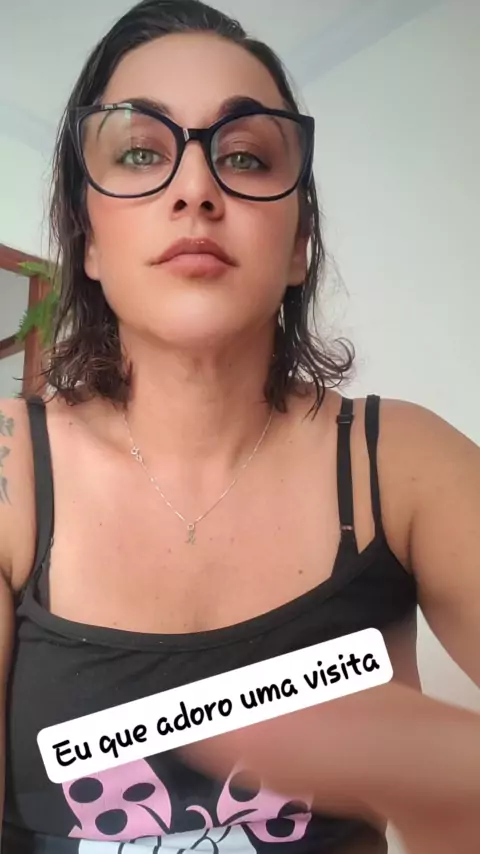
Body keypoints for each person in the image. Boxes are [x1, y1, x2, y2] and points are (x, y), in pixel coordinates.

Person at [0, 0, 479, 852]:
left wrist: (455, 784)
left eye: (246, 157)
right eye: (141, 152)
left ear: (298, 245)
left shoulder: (404, 464)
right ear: (89, 240)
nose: (196, 189)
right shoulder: (10, 475)